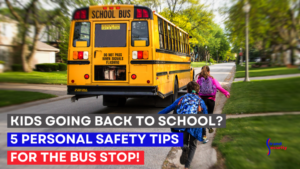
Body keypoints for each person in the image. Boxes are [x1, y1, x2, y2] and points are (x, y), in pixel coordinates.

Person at [158, 81, 208, 169]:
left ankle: (184, 147)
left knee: (183, 141)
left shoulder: (181, 98)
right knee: (193, 145)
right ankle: (187, 167)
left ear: (187, 90)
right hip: (195, 126)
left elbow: (171, 107)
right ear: (198, 91)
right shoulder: (200, 101)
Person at [196, 65, 230, 133]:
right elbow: (218, 87)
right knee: (210, 113)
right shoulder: (213, 79)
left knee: (201, 115)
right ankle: (210, 126)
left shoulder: (199, 80)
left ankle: (203, 131)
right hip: (211, 99)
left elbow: (195, 89)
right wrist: (226, 93)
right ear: (209, 72)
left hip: (202, 99)